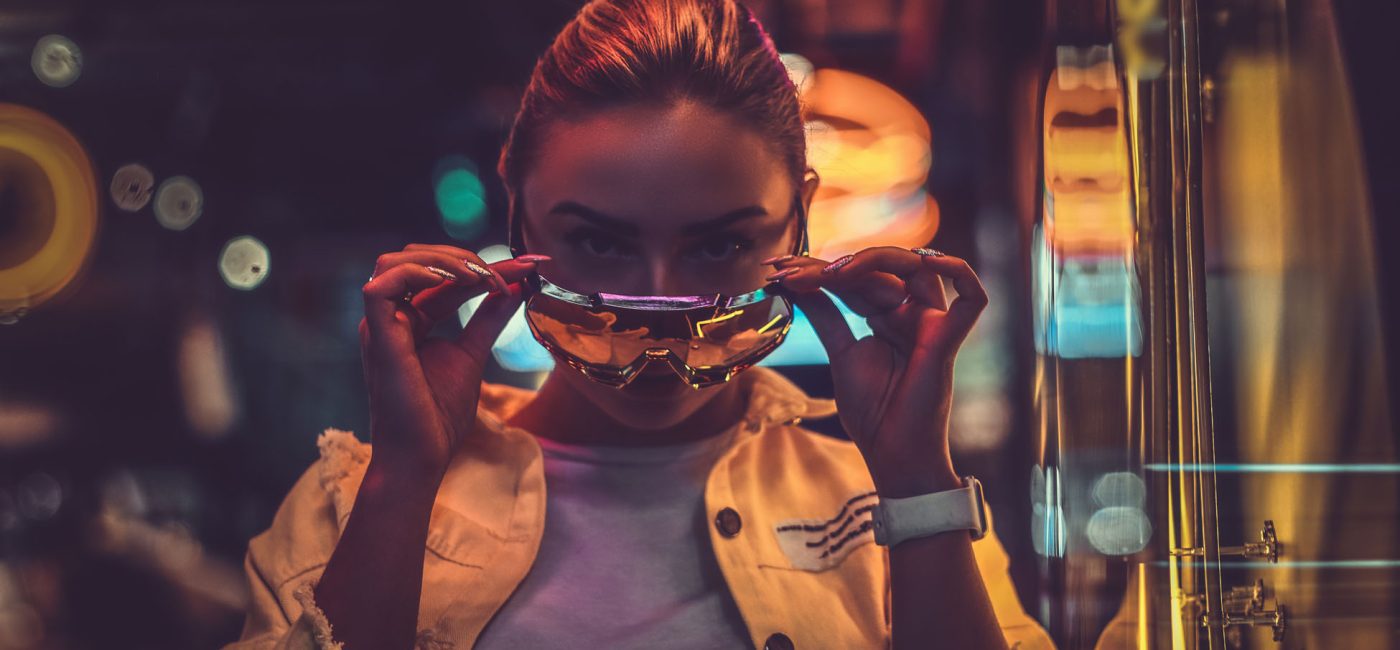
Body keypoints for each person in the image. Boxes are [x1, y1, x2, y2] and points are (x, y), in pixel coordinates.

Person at [226, 0, 1054, 648]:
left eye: (720, 245)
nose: (659, 312)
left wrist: (915, 481)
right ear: (518, 210)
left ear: (800, 219)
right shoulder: (350, 504)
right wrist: (404, 482)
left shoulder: (888, 508)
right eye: (600, 242)